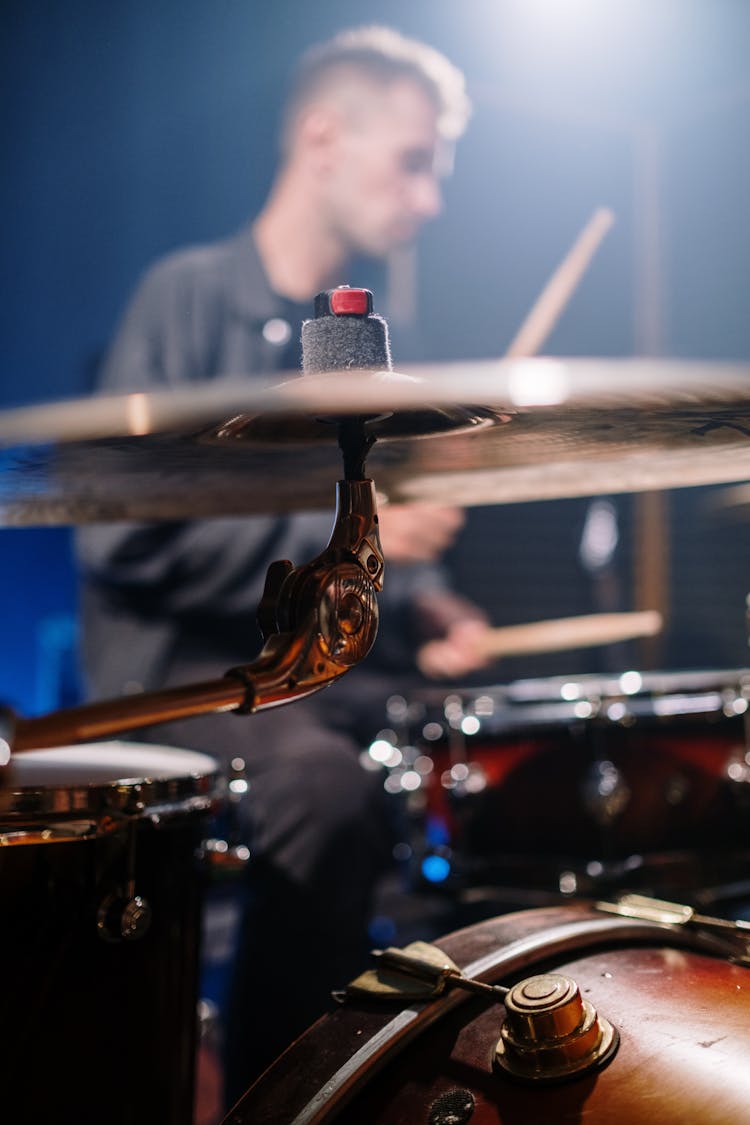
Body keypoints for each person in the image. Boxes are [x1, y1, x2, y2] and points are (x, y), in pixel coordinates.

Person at [75, 24, 492, 1110]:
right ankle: (286, 1093)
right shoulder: (187, 296)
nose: (431, 198)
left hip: (323, 684)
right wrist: (364, 533)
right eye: (414, 159)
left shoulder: (359, 344)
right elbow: (120, 535)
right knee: (322, 788)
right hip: (189, 683)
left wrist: (431, 605)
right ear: (321, 135)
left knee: (487, 753)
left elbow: (361, 559)